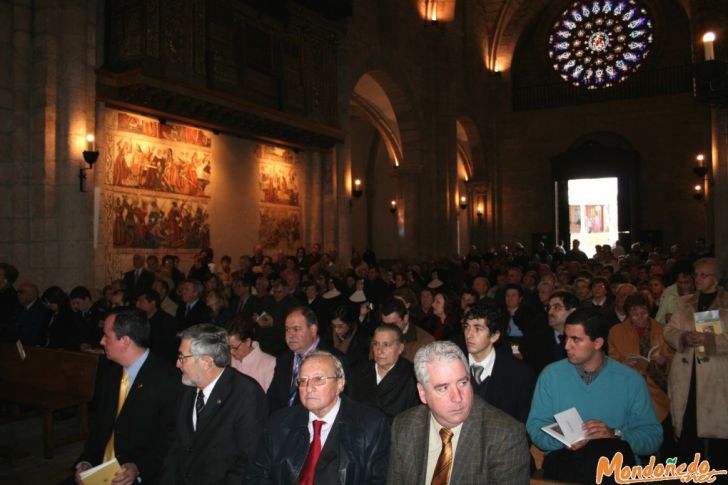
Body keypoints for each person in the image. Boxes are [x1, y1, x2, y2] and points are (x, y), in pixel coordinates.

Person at [526, 308, 662, 484]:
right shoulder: (551, 375)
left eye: (576, 340)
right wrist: (562, 440)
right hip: (566, 462)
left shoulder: (630, 379)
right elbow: (535, 426)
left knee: (606, 455)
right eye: (566, 338)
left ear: (597, 343)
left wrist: (616, 434)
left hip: (615, 465)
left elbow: (652, 437)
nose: (567, 346)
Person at [387, 341, 530, 484]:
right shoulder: (404, 426)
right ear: (422, 393)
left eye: (462, 383)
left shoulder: (505, 436)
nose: (458, 398)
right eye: (443, 388)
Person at [72, 307, 179, 485]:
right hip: (101, 472)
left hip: (140, 475)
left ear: (125, 341)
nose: (101, 341)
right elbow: (100, 429)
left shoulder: (167, 380)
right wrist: (86, 462)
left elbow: (172, 440)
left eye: (107, 336)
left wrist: (138, 468)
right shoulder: (111, 374)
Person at [248, 351, 390, 484]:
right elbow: (257, 475)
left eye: (318, 379)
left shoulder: (371, 425)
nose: (309, 388)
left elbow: (377, 480)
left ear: (340, 384)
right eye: (303, 381)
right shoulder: (278, 423)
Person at [161, 324, 267, 484]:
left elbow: (248, 461)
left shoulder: (246, 394)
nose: (177, 364)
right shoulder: (187, 387)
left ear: (206, 362)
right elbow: (177, 445)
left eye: (182, 357)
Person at [663, 257, 728, 470]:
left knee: (715, 430)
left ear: (716, 279)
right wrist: (683, 337)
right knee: (687, 426)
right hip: (687, 373)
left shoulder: (725, 303)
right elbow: (669, 330)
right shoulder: (685, 302)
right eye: (696, 274)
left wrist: (710, 340)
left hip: (714, 377)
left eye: (703, 275)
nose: (697, 279)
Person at [608, 293, 674, 455]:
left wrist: (663, 361)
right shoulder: (616, 331)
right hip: (630, 388)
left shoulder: (662, 330)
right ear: (628, 315)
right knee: (635, 433)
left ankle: (667, 468)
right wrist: (623, 365)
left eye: (644, 313)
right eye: (635, 314)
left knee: (665, 434)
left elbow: (673, 359)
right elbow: (612, 359)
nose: (640, 318)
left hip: (658, 388)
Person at [462, 303, 535, 423]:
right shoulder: (452, 365)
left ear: (494, 336)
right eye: (467, 327)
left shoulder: (520, 374)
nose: (469, 335)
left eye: (478, 329)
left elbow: (523, 422)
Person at [347, 324, 420, 422]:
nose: (379, 351)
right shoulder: (357, 372)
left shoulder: (413, 376)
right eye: (376, 344)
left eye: (386, 345)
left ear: (400, 348)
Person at [267, 306, 331, 413]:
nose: (290, 335)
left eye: (296, 329)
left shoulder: (332, 360)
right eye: (287, 329)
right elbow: (272, 399)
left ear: (313, 330)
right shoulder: (283, 360)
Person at [226, 317, 276, 392]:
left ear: (248, 342)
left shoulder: (270, 363)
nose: (231, 352)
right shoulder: (228, 360)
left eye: (235, 348)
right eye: (228, 347)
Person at [380, 298, 433, 363]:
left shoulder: (425, 341)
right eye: (384, 324)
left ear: (405, 318)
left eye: (393, 324)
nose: (388, 329)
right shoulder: (379, 336)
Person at [135, 288, 179, 365]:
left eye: (141, 302)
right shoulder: (138, 319)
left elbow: (168, 349)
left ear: (153, 303)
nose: (137, 304)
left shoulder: (167, 321)